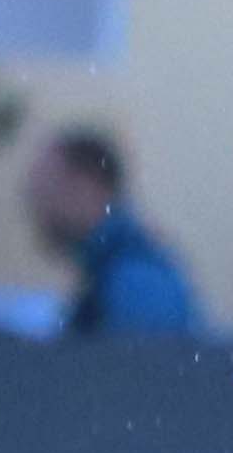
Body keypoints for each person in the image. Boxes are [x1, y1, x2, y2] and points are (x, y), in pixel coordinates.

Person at [28, 129, 202, 341]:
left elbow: (133, 371)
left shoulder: (137, 284)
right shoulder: (112, 270)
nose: (37, 206)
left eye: (47, 188)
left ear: (86, 186)